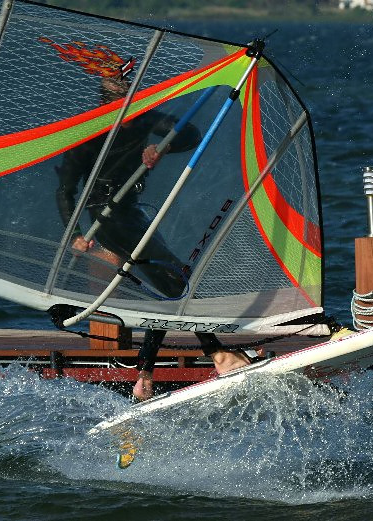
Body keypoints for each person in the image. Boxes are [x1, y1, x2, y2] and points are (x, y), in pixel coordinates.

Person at [56, 71, 252, 401]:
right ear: (108, 105)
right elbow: (65, 191)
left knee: (170, 284)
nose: (131, 108)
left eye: (133, 98)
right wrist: (74, 234)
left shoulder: (146, 119)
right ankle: (215, 356)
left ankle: (146, 377)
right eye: (120, 101)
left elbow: (189, 133)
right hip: (105, 217)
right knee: (172, 283)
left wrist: (161, 148)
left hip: (131, 211)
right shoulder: (90, 135)